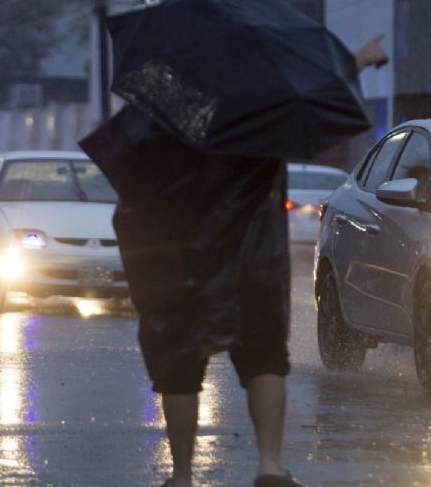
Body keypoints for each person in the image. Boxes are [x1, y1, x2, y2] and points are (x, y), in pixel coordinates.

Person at [113, 35, 388, 487]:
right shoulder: (258, 108)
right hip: (252, 258)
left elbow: (130, 182)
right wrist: (357, 60)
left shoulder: (159, 110)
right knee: (263, 360)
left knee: (179, 367)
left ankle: (182, 476)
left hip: (178, 259)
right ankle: (269, 467)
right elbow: (321, 103)